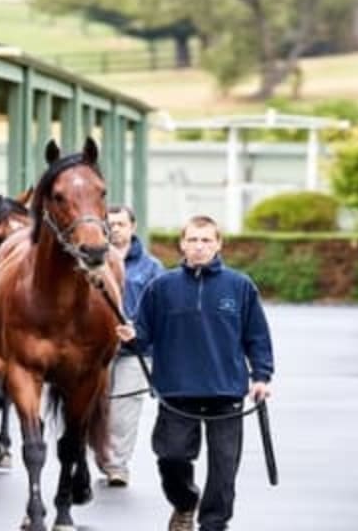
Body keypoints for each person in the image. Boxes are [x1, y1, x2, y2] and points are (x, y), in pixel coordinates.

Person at [118, 215, 274, 531]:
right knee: (171, 457)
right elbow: (143, 335)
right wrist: (131, 336)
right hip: (176, 391)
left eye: (206, 240)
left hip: (226, 391)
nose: (199, 247)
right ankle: (185, 503)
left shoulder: (240, 286)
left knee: (224, 469)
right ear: (182, 244)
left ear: (218, 244)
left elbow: (257, 337)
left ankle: (213, 524)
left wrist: (261, 377)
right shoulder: (161, 287)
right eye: (193, 240)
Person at [98, 204, 164, 487]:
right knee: (92, 410)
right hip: (96, 353)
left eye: (120, 224)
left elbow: (161, 308)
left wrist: (138, 330)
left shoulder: (151, 268)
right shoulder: (91, 262)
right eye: (109, 223)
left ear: (132, 227)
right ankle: (98, 458)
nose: (114, 229)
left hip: (134, 352)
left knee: (124, 410)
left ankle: (117, 466)